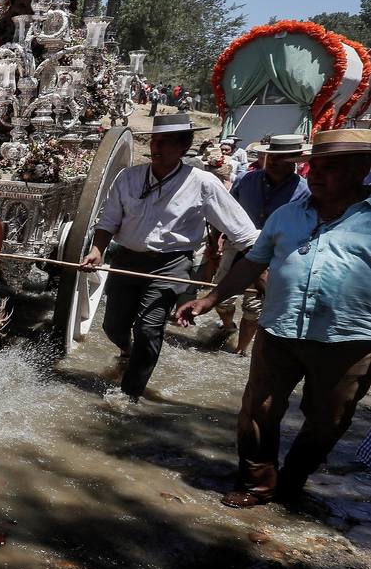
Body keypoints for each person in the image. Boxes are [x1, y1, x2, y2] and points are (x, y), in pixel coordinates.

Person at [177, 129, 371, 508]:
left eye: (329, 168)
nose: (316, 174)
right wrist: (210, 298)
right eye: (314, 166)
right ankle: (257, 484)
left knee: (328, 421)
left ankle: (293, 480)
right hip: (279, 328)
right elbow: (253, 261)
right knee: (257, 410)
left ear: (361, 169)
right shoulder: (287, 216)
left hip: (348, 341)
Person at [83, 114, 259, 400]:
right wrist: (97, 250)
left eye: (165, 141)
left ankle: (129, 394)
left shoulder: (204, 183)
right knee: (112, 325)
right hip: (126, 261)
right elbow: (107, 222)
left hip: (171, 264)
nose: (157, 146)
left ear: (184, 145)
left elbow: (244, 233)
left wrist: (259, 270)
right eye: (154, 140)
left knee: (148, 328)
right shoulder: (128, 178)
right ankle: (127, 351)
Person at [221, 135, 310, 356]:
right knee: (221, 298)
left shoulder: (305, 191)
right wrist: (218, 239)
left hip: (276, 254)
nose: (273, 161)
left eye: (282, 158)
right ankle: (227, 327)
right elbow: (226, 210)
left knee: (254, 307)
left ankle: (241, 350)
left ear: (295, 161)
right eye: (272, 156)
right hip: (238, 247)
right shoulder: (246, 179)